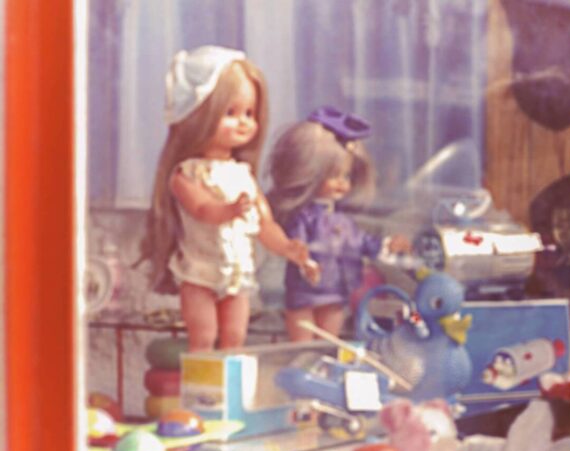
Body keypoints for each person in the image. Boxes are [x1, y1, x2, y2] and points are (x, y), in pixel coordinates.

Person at [139, 46, 314, 352]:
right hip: (199, 272)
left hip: (236, 275)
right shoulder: (186, 174)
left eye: (249, 113)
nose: (243, 122)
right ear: (197, 116)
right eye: (230, 113)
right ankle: (200, 382)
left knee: (235, 336)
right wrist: (229, 210)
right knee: (204, 336)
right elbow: (202, 208)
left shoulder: (242, 175)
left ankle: (228, 383)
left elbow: (264, 224)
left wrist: (288, 248)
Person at [266, 107, 411, 342]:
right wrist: (301, 256)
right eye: (333, 176)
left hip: (335, 290)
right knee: (301, 343)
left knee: (328, 341)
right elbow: (296, 242)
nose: (342, 184)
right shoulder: (304, 217)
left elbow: (362, 242)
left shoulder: (343, 220)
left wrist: (387, 245)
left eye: (346, 176)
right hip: (305, 290)